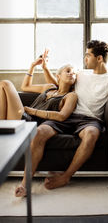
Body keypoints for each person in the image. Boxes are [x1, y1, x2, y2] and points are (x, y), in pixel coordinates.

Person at [40, 40, 108, 191]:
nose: (85, 59)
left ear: (99, 58)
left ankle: (65, 177)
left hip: (90, 121)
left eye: (88, 55)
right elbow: (59, 84)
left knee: (91, 134)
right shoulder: (81, 75)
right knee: (41, 130)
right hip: (69, 116)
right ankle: (26, 178)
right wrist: (45, 68)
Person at [0, 53, 77, 197]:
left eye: (74, 72)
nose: (72, 73)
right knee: (3, 84)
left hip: (31, 122)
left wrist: (33, 110)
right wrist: (33, 66)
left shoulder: (71, 96)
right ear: (58, 76)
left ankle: (24, 184)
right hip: (25, 116)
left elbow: (62, 116)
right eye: (68, 71)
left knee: (6, 84)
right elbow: (25, 86)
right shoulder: (49, 87)